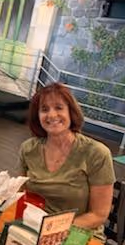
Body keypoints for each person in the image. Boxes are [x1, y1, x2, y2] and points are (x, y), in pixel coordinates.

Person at [18, 82, 115, 230]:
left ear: (71, 112)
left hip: (78, 233)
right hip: (34, 227)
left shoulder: (97, 154)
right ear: (37, 116)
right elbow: (20, 195)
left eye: (59, 107)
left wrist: (52, 230)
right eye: (44, 109)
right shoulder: (28, 148)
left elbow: (98, 215)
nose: (51, 115)